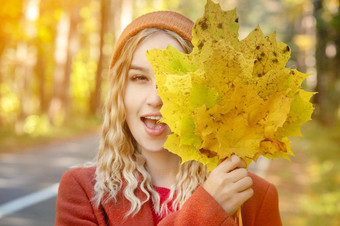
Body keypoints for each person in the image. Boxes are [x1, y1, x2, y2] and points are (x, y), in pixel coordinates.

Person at [55, 11, 282, 226]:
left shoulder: (252, 197)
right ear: (119, 92)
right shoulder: (83, 190)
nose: (156, 98)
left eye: (174, 79)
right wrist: (208, 210)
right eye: (139, 77)